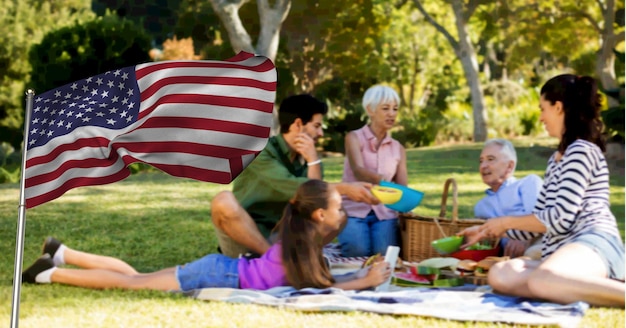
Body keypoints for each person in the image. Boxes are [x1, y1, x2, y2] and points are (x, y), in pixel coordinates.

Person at [22, 180, 392, 292]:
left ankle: (62, 251)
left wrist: (362, 276)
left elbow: (319, 278)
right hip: (216, 274)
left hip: (220, 270)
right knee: (129, 283)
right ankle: (48, 272)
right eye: (339, 207)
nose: (344, 213)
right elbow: (318, 288)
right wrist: (364, 280)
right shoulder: (303, 241)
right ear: (321, 215)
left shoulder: (302, 234)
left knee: (134, 276)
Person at [458, 74, 625, 307]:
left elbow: (560, 218)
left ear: (558, 107)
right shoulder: (555, 160)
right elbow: (534, 226)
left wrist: (505, 222)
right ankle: (573, 285)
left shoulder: (581, 151)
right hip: (561, 250)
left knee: (542, 280)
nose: (540, 117)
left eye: (542, 109)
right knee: (501, 274)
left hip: (592, 241)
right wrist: (488, 230)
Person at [210, 94, 379, 258]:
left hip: (282, 235)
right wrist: (345, 188)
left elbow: (316, 201)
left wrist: (313, 160)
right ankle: (272, 261)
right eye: (317, 126)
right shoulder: (260, 151)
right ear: (298, 124)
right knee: (223, 201)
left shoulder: (306, 157)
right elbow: (293, 186)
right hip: (247, 236)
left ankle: (294, 260)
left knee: (339, 214)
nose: (321, 133)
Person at [337, 85, 408, 257]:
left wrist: (405, 208)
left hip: (385, 213)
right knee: (358, 252)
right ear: (370, 109)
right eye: (385, 108)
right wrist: (383, 180)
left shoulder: (398, 148)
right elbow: (358, 170)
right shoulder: (353, 137)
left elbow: (403, 186)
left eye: (395, 109)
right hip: (353, 210)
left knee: (385, 255)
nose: (392, 113)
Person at [474, 138, 543, 258]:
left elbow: (540, 217)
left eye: (490, 159)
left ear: (510, 166)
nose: (483, 166)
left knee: (533, 253)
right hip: (507, 258)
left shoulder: (528, 183)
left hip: (539, 243)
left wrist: (522, 237)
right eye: (481, 161)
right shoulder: (481, 207)